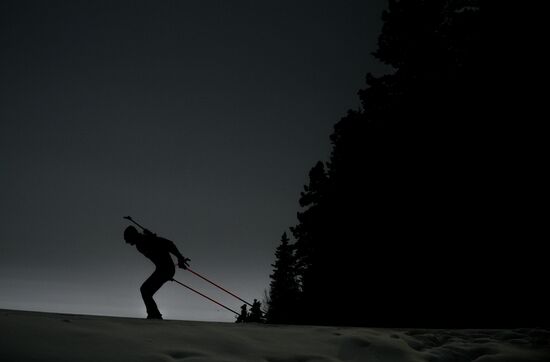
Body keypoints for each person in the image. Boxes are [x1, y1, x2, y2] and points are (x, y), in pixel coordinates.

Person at [124, 225, 190, 320]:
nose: (128, 243)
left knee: (145, 290)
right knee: (145, 291)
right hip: (163, 270)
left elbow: (169, 244)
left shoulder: (147, 240)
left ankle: (155, 315)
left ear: (133, 236)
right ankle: (154, 315)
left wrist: (180, 258)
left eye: (128, 239)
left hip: (165, 269)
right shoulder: (141, 243)